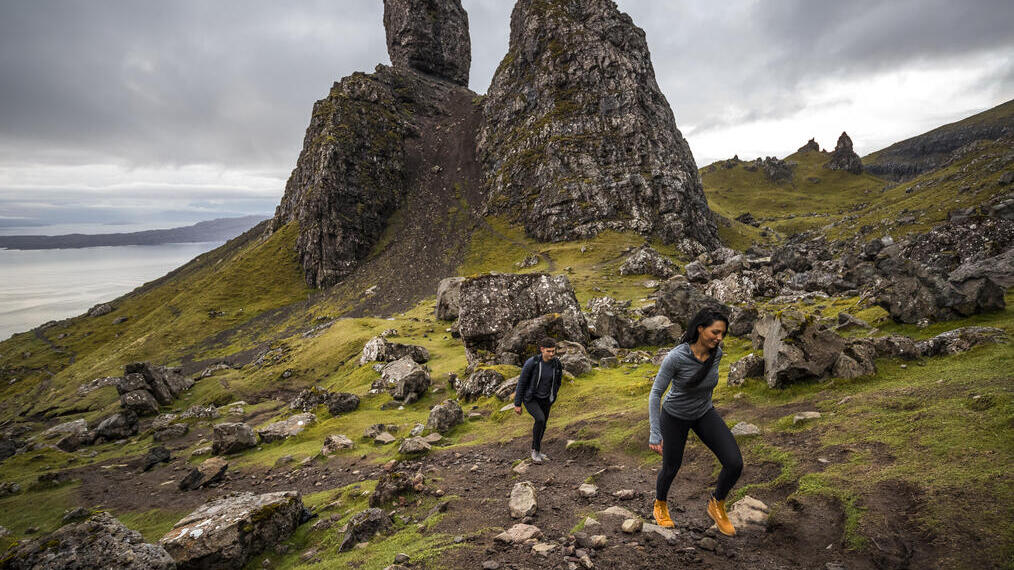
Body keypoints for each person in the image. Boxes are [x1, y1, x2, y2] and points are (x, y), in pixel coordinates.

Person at [648, 307, 743, 536]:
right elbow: (655, 394)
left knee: (734, 463)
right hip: (674, 416)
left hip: (703, 413)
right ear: (700, 329)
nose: (719, 338)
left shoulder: (716, 353)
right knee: (671, 467)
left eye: (722, 334)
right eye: (715, 332)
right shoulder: (676, 357)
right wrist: (655, 432)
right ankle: (660, 505)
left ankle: (716, 503)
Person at [514, 337, 563, 464]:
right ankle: (535, 451)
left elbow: (558, 381)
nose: (552, 354)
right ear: (542, 350)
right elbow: (522, 383)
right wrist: (517, 404)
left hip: (547, 399)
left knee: (543, 425)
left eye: (553, 351)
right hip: (531, 398)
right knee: (540, 419)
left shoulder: (557, 363)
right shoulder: (532, 362)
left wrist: (554, 394)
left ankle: (538, 450)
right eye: (549, 351)